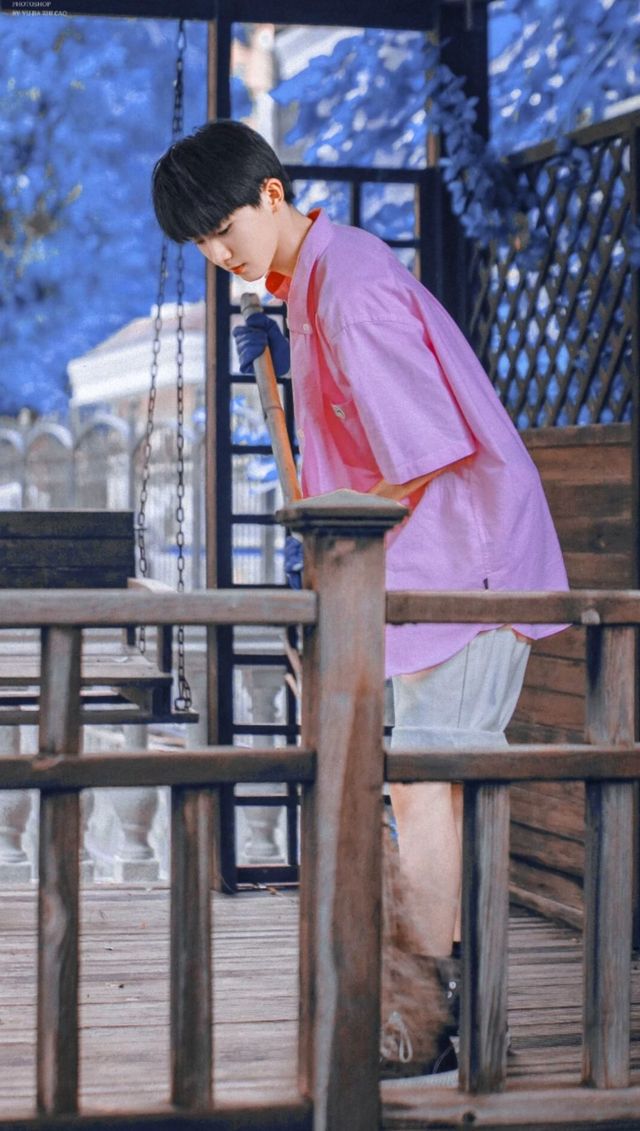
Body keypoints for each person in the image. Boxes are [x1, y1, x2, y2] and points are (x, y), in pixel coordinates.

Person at [151, 119, 569, 1077]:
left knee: (427, 787)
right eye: (201, 244)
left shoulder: (352, 289)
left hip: (465, 568)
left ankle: (433, 1017)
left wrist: (334, 538)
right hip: (420, 573)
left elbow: (423, 452)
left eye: (224, 229)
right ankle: (435, 1011)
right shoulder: (312, 284)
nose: (219, 255)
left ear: (271, 193)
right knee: (420, 787)